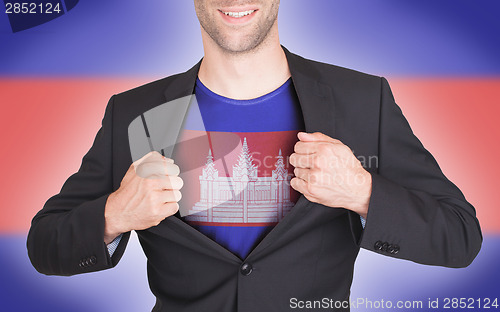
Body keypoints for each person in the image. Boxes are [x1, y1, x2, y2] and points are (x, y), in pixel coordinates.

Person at [27, 0, 482, 311]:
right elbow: (45, 246)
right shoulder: (135, 113)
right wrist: (113, 215)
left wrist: (364, 192)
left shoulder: (363, 101)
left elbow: (460, 236)